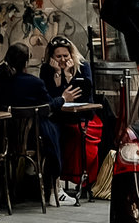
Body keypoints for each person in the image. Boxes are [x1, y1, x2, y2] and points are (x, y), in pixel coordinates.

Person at [0, 42, 78, 205]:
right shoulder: (34, 83)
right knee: (56, 130)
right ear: (27, 61)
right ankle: (55, 190)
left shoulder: (1, 81)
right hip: (34, 138)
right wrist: (63, 99)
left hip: (5, 138)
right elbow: (48, 107)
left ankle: (29, 174)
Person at [39, 36, 102, 187]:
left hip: (81, 115)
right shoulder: (46, 70)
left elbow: (81, 93)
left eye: (65, 56)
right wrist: (58, 75)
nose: (62, 59)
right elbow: (52, 96)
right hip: (59, 115)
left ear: (71, 54)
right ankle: (58, 179)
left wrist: (67, 74)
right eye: (58, 56)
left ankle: (79, 179)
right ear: (51, 57)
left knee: (76, 132)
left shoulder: (83, 67)